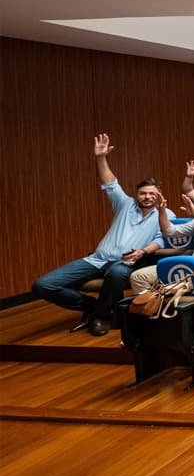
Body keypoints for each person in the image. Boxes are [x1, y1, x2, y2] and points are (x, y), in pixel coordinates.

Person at [32, 133, 169, 336]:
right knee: (42, 285)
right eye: (143, 193)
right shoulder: (125, 204)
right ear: (136, 194)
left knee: (116, 274)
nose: (147, 197)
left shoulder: (165, 214)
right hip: (95, 260)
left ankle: (102, 316)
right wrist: (100, 158)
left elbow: (162, 238)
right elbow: (111, 184)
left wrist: (143, 251)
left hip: (126, 262)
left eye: (152, 193)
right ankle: (90, 306)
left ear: (159, 195)